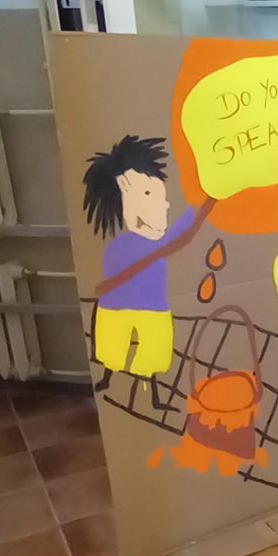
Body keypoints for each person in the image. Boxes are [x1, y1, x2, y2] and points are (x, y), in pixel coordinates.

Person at [83, 135, 198, 400]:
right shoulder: (117, 246)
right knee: (113, 349)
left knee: (153, 355)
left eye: (160, 195)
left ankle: (152, 396)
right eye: (147, 194)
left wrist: (200, 206)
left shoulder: (157, 242)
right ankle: (108, 378)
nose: (163, 204)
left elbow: (180, 233)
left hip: (153, 309)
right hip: (116, 308)